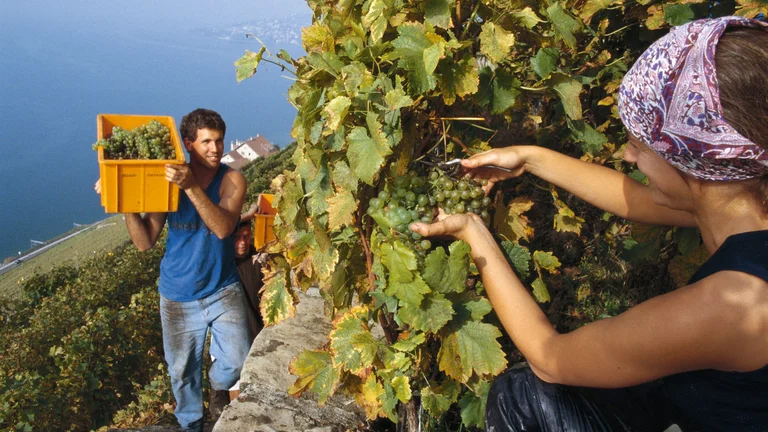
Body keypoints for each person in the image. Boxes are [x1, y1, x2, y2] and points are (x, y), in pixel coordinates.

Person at [410, 16, 768, 431]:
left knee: (526, 397)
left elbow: (550, 359)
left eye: (639, 145)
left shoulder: (731, 307)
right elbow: (634, 201)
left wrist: (473, 232)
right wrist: (529, 158)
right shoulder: (742, 203)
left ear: (692, 159)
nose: (627, 157)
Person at [98, 108, 251, 431]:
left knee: (238, 360)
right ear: (188, 144)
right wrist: (124, 202)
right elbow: (144, 242)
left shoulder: (232, 179)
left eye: (219, 141)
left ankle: (217, 385)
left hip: (222, 287)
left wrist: (192, 187)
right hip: (177, 295)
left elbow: (223, 227)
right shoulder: (165, 182)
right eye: (206, 142)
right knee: (181, 373)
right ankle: (191, 425)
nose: (215, 149)